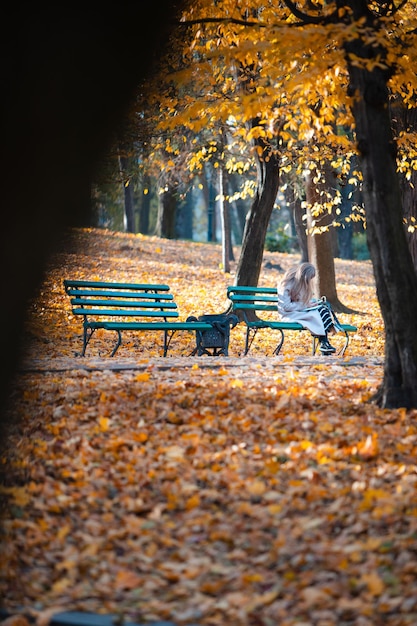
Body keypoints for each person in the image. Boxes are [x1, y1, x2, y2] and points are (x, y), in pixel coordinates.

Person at [277, 262, 342, 355]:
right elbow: (286, 307)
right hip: (289, 314)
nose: (309, 282)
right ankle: (325, 343)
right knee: (316, 315)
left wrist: (310, 303)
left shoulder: (301, 283)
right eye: (309, 279)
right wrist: (306, 305)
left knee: (322, 309)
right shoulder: (286, 284)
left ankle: (324, 343)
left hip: (300, 312)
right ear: (304, 277)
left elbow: (302, 301)